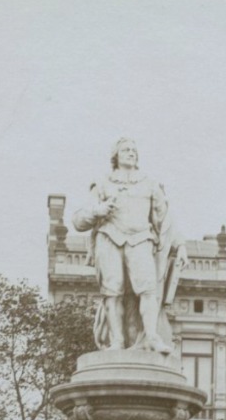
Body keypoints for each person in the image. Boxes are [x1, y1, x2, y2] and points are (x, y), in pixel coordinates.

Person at [72, 137, 187, 354]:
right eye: (125, 149)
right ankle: (117, 341)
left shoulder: (149, 184)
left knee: (148, 290)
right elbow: (78, 220)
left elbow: (166, 219)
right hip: (109, 239)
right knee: (112, 291)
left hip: (141, 239)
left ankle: (151, 337)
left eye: (134, 150)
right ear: (115, 155)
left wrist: (180, 245)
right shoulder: (102, 183)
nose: (131, 153)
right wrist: (98, 210)